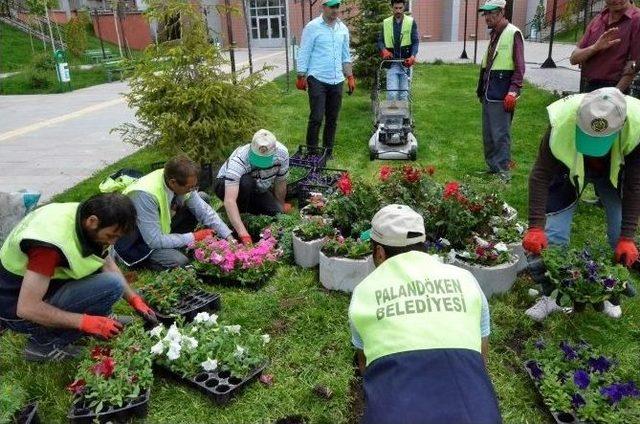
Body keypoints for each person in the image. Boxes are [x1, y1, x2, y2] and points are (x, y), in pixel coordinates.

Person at [349, 204, 502, 424]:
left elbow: (366, 368)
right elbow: (481, 359)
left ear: (380, 252)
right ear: (422, 245)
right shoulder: (465, 279)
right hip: (477, 414)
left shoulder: (364, 291)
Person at [522, 87, 640, 321]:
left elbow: (635, 186)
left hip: (615, 172)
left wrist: (627, 237)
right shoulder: (562, 122)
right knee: (553, 235)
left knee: (620, 236)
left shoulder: (636, 127)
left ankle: (611, 293)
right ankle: (551, 297)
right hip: (570, 168)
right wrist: (535, 226)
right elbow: (540, 175)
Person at [0, 194, 156, 362]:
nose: (112, 243)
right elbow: (27, 308)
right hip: (15, 309)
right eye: (111, 236)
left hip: (45, 286)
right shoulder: (49, 248)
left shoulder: (83, 215)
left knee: (113, 282)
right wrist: (85, 322)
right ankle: (42, 346)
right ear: (92, 221)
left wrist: (134, 299)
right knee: (112, 284)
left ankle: (101, 317)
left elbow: (106, 263)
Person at [115, 155, 233, 269]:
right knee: (180, 261)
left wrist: (229, 237)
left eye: (194, 186)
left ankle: (175, 244)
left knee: (202, 197)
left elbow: (205, 211)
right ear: (173, 182)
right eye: (189, 187)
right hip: (139, 243)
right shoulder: (144, 195)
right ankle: (149, 260)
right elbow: (153, 241)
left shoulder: (177, 179)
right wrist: (194, 237)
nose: (192, 190)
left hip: (161, 229)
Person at [296, 0, 355, 159]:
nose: (335, 10)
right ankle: (312, 153)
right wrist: (301, 75)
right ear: (323, 7)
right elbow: (304, 51)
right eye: (332, 7)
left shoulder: (342, 29)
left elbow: (345, 55)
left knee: (332, 118)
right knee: (316, 117)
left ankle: (328, 152)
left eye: (337, 6)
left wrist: (349, 76)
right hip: (317, 78)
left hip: (337, 79)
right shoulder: (312, 27)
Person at [215, 129, 291, 246]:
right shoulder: (240, 159)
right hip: (226, 187)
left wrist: (280, 209)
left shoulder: (282, 154)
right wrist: (244, 235)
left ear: (274, 151)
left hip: (257, 187)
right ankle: (239, 215)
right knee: (246, 182)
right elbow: (230, 200)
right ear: (251, 148)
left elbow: (280, 183)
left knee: (274, 213)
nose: (260, 163)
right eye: (257, 158)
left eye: (264, 159)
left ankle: (244, 210)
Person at [476, 0, 525, 182]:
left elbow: (520, 67)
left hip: (502, 93)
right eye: (485, 14)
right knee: (488, 133)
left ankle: (503, 172)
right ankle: (492, 167)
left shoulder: (513, 33)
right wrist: (481, 89)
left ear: (501, 12)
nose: (487, 17)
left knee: (500, 134)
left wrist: (513, 91)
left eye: (491, 13)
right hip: (489, 91)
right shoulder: (495, 34)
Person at [570, 0, 640, 94]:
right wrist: (595, 48)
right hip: (589, 88)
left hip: (617, 90)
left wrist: (614, 94)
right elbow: (573, 59)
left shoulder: (637, 19)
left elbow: (635, 64)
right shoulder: (598, 19)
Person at [378, 0, 419, 101]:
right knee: (392, 93)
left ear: (404, 7)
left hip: (405, 63)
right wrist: (384, 50)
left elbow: (415, 42)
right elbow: (380, 41)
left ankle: (403, 116)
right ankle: (391, 116)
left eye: (400, 8)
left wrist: (413, 56)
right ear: (392, 7)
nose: (398, 11)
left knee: (403, 95)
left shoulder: (410, 22)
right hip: (392, 63)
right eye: (396, 8)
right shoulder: (386, 22)